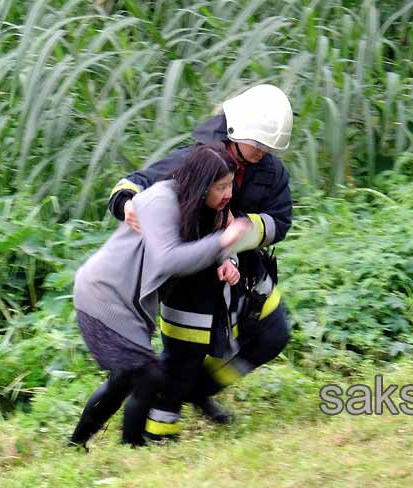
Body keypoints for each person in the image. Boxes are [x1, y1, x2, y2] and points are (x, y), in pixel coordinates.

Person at [105, 84, 295, 437]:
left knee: (274, 334)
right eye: (258, 144)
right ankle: (156, 431)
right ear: (236, 133)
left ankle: (199, 390)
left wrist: (242, 231)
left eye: (268, 146)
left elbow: (280, 221)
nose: (263, 152)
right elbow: (132, 184)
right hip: (193, 280)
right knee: (182, 360)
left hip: (245, 274)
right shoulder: (195, 163)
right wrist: (127, 205)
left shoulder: (271, 173)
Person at [70, 144, 252, 448]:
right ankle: (133, 447)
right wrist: (222, 242)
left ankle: (77, 445)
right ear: (203, 182)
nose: (228, 193)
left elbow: (198, 248)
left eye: (230, 184)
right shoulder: (160, 199)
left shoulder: (201, 206)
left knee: (124, 380)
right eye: (221, 186)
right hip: (103, 295)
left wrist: (227, 262)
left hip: (125, 304)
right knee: (148, 377)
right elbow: (167, 258)